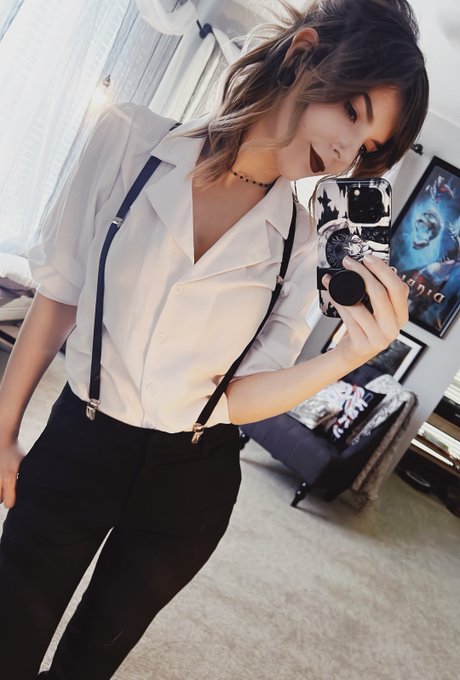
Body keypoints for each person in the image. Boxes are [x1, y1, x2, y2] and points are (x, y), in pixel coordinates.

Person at [0, 0, 428, 678]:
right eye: (352, 112)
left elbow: (238, 398)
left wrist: (349, 356)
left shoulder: (301, 245)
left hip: (188, 486)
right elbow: (59, 297)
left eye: (369, 149)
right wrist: (3, 429)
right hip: (80, 440)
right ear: (303, 53)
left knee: (86, 667)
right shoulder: (129, 140)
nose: (347, 153)